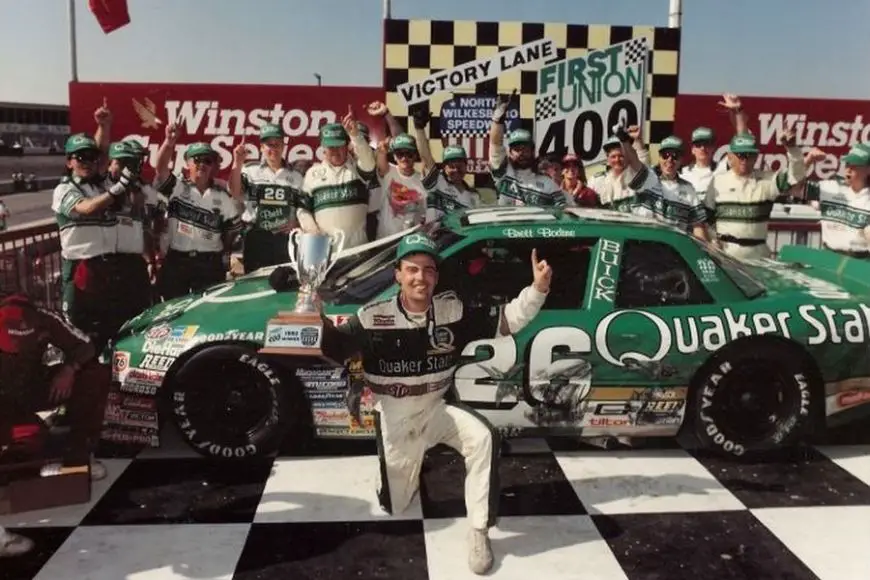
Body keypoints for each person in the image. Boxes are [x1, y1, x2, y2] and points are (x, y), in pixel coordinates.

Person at [319, 233, 553, 575]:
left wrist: (538, 290)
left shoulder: (452, 310)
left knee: (483, 438)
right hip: (396, 416)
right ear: (397, 274)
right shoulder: (372, 316)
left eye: (429, 270)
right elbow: (336, 350)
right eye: (412, 269)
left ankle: (479, 530)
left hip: (437, 408)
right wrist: (316, 319)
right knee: (397, 505)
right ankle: (398, 469)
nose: (420, 277)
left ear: (436, 277)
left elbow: (507, 321)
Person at [0, 293, 110, 483]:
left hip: (32, 385)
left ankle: (78, 454)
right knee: (27, 439)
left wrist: (69, 369)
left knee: (95, 374)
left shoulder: (47, 318)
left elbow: (85, 346)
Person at [52, 134, 139, 350]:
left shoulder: (100, 185)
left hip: (108, 268)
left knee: (112, 326)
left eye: (91, 158)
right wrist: (119, 188)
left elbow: (104, 151)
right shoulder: (65, 189)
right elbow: (87, 207)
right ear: (69, 161)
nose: (87, 162)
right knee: (79, 332)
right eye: (80, 157)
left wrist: (104, 127)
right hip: (80, 268)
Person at [154, 127, 242, 299]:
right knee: (172, 310)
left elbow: (232, 230)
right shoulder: (177, 188)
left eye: (208, 160)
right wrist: (169, 142)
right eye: (197, 159)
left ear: (213, 166)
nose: (202, 164)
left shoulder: (222, 196)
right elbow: (161, 168)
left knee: (208, 312)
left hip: (209, 262)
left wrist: (222, 252)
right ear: (188, 163)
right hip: (177, 260)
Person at [704, 130, 806, 260]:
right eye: (741, 155)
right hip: (725, 257)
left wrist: (792, 149)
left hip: (758, 258)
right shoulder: (717, 181)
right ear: (730, 156)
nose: (745, 160)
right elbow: (706, 218)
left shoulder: (768, 181)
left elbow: (795, 177)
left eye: (750, 155)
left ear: (756, 157)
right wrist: (712, 241)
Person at [298, 107, 377, 249]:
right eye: (330, 146)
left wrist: (355, 134)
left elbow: (369, 162)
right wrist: (312, 231)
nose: (335, 150)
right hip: (326, 254)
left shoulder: (359, 169)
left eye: (339, 145)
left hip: (358, 252)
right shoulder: (312, 173)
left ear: (347, 146)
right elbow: (303, 209)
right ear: (323, 148)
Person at [230, 124, 304, 272]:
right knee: (255, 285)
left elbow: (304, 208)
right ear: (261, 147)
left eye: (277, 144)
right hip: (256, 238)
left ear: (284, 146)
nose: (273, 149)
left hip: (284, 239)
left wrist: (295, 223)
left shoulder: (296, 177)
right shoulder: (249, 170)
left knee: (285, 283)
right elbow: (235, 192)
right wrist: (237, 162)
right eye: (269, 145)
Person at [101, 141, 159, 323]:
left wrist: (151, 260)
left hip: (134, 262)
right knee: (107, 318)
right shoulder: (99, 186)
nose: (125, 168)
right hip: (104, 263)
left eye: (130, 163)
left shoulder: (145, 190)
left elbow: (147, 228)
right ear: (110, 163)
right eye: (120, 163)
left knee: (139, 316)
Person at [488, 92, 564, 207]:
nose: (521, 153)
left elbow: (562, 212)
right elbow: (495, 144)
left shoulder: (548, 183)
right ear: (510, 153)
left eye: (525, 149)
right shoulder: (503, 173)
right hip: (506, 224)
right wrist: (497, 119)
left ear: (533, 151)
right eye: (517, 149)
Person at [798, 144, 868, 257]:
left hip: (860, 264)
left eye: (855, 165)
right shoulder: (830, 187)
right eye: (847, 163)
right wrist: (808, 160)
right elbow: (791, 187)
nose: (848, 169)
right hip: (828, 259)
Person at [644, 136, 708, 239]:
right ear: (659, 158)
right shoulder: (647, 181)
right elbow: (638, 161)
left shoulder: (688, 189)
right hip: (648, 244)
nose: (670, 160)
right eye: (665, 155)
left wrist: (704, 250)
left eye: (675, 156)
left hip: (673, 249)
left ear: (681, 160)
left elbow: (698, 226)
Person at [587, 125, 650, 208]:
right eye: (613, 156)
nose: (617, 160)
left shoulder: (635, 176)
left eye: (621, 156)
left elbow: (643, 161)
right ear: (607, 158)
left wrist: (638, 141)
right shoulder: (596, 180)